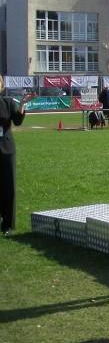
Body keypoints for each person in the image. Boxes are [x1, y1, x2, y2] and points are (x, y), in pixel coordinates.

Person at [0, 79, 37, 235]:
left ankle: (8, 224)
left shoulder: (7, 102)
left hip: (7, 149)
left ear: (1, 86)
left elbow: (17, 121)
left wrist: (22, 104)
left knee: (9, 188)